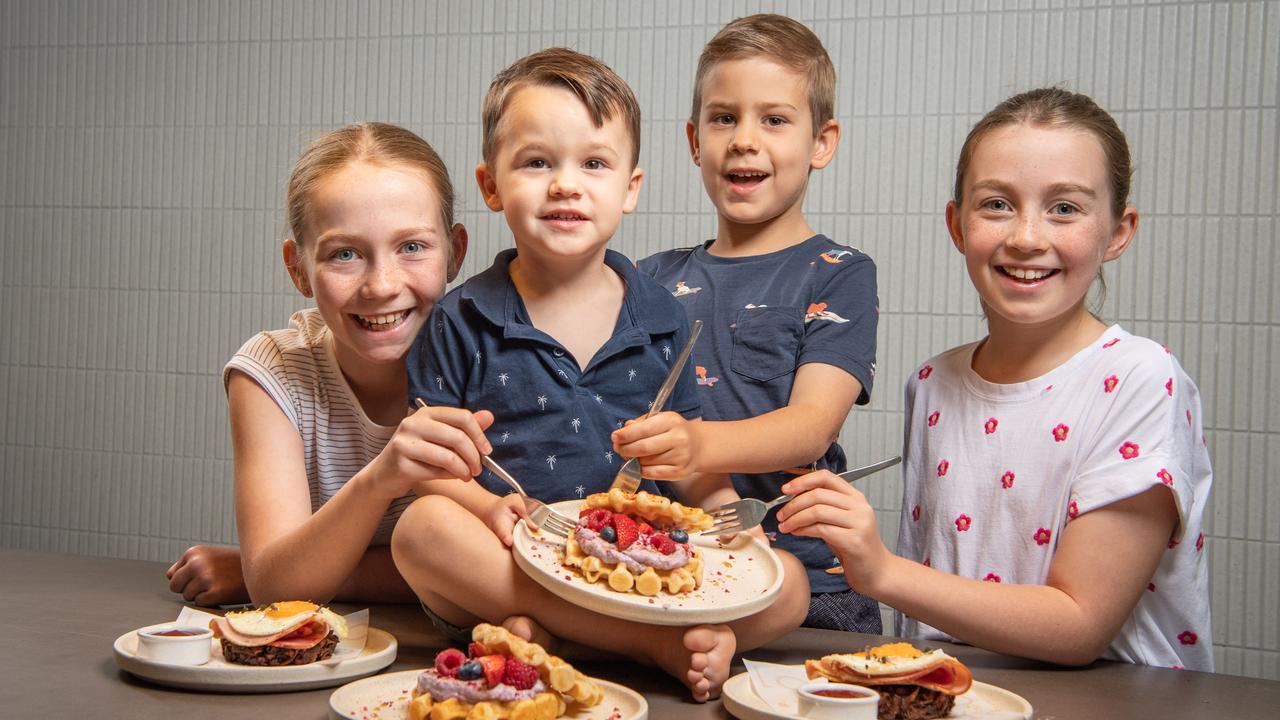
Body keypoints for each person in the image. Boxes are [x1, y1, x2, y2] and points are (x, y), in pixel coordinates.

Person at [392, 47, 811, 702]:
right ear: (491, 184)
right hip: (518, 561)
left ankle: (557, 640)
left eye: (593, 163)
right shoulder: (458, 319)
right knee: (421, 533)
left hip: (642, 569)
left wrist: (732, 520)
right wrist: (493, 508)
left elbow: (696, 470)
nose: (566, 184)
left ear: (630, 188)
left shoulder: (665, 318)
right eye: (538, 162)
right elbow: (429, 476)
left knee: (789, 582)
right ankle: (646, 648)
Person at [776, 88, 1214, 671]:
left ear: (1118, 231)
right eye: (997, 205)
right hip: (956, 696)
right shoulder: (932, 383)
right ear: (957, 225)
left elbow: (1081, 625)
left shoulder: (1140, 378)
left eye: (1065, 208)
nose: (1027, 237)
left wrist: (879, 570)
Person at [621, 14, 882, 633]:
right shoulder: (647, 277)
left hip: (812, 586)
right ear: (693, 140)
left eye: (774, 119)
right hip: (679, 575)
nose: (743, 138)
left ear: (823, 141)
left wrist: (697, 444)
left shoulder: (837, 272)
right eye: (723, 118)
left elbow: (810, 429)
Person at [168, 122, 495, 605]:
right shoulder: (274, 372)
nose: (382, 285)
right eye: (345, 254)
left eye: (411, 247)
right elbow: (277, 588)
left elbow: (519, 556)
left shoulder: (499, 357)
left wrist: (274, 572)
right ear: (298, 269)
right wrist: (380, 479)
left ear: (455, 252)